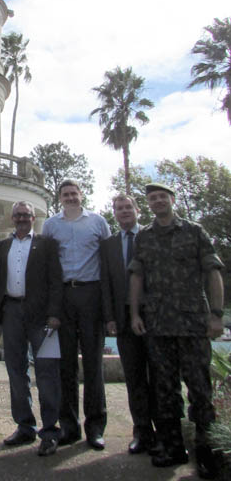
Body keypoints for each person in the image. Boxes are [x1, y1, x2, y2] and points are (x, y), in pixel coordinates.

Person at [129, 183, 224, 479]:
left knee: (200, 389)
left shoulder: (194, 231)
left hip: (192, 323)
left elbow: (213, 272)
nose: (157, 201)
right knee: (165, 390)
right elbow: (137, 277)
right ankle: (172, 447)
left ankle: (207, 452)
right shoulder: (144, 236)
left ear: (172, 199)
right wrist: (134, 313)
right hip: (158, 323)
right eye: (152, 198)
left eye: (161, 197)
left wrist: (217, 315)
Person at [42, 179, 111, 450]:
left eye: (74, 193)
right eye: (66, 194)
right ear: (60, 198)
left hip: (91, 294)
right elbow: (47, 266)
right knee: (65, 365)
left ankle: (95, 427)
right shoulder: (51, 225)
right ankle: (69, 427)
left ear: (81, 195)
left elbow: (106, 263)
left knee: (93, 363)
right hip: (63, 296)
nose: (70, 197)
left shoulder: (97, 222)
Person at [0, 201, 63, 457]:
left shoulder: (46, 244)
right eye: (18, 215)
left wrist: (55, 314)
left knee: (46, 372)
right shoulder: (2, 246)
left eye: (26, 214)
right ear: (12, 218)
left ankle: (49, 431)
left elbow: (56, 280)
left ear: (34, 218)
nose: (22, 218)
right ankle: (24, 426)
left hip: (41, 316)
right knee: (15, 370)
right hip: (11, 312)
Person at [100, 194, 157, 454]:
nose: (123, 212)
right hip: (123, 319)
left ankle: (167, 433)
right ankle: (142, 432)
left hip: (155, 316)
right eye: (118, 208)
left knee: (161, 377)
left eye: (127, 207)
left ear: (137, 210)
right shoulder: (110, 244)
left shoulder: (152, 236)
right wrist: (110, 317)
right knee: (134, 378)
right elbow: (107, 283)